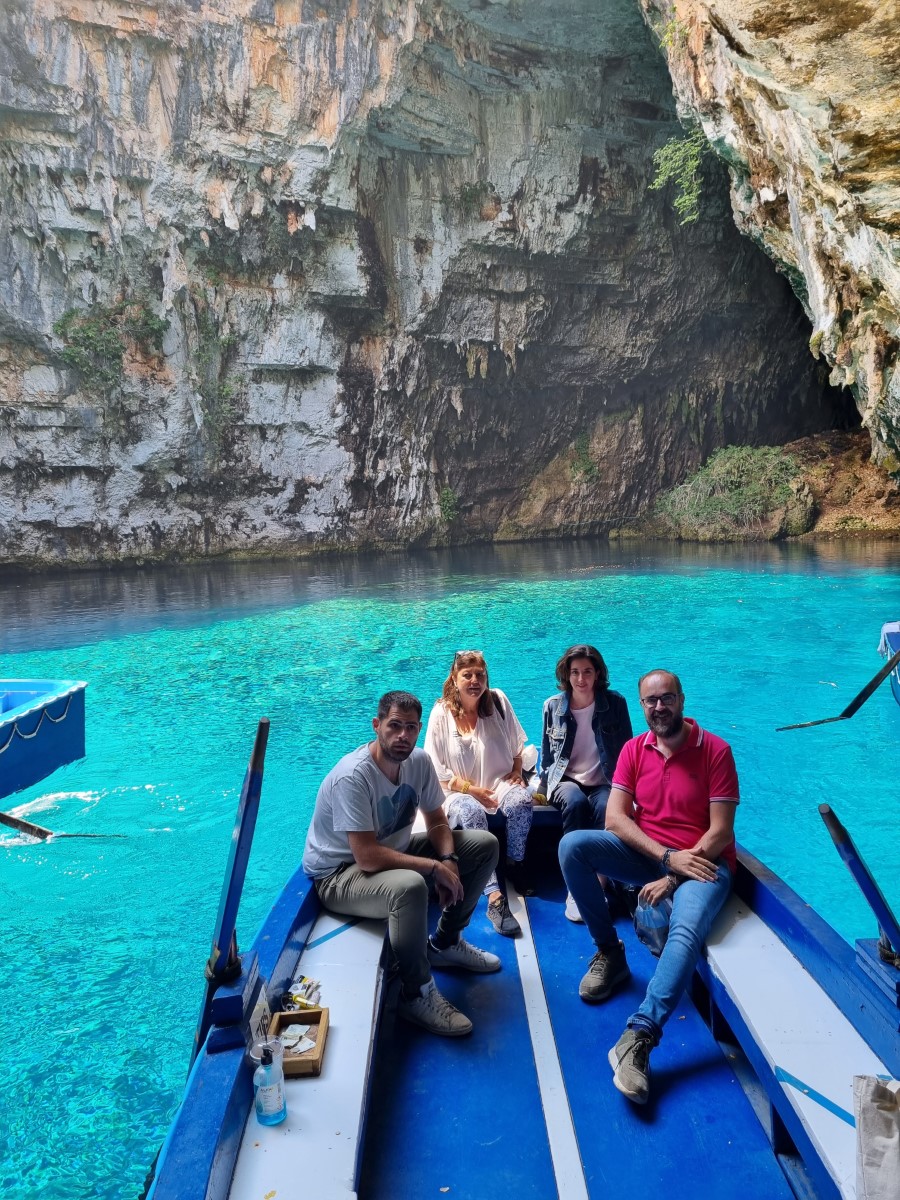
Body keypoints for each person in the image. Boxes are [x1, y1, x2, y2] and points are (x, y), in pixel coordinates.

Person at [558, 669, 738, 1104]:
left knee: (687, 927)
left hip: (702, 862)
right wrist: (662, 859)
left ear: (681, 699)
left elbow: (719, 832)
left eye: (667, 698)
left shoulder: (715, 750)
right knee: (572, 847)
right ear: (641, 706)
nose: (659, 707)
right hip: (655, 854)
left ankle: (638, 1036)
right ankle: (610, 953)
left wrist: (674, 873)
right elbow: (615, 819)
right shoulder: (634, 751)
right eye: (650, 701)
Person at [302, 690, 501, 1038]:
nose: (403, 736)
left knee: (483, 845)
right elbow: (365, 855)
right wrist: (435, 868)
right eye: (394, 726)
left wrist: (449, 858)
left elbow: (438, 821)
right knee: (408, 887)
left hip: (391, 852)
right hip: (340, 874)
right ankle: (416, 993)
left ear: (419, 728)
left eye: (411, 728)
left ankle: (446, 943)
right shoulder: (354, 775)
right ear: (377, 725)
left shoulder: (419, 762)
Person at [424, 650, 533, 938]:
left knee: (522, 801)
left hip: (497, 782)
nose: (475, 680)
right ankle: (494, 894)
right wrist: (470, 790)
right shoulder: (441, 712)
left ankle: (516, 863)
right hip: (456, 789)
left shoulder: (497, 701)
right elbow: (435, 768)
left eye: (480, 675)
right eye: (467, 675)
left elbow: (516, 744)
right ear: (454, 678)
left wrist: (518, 770)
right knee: (470, 811)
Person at [540, 644, 633, 923]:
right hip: (565, 779)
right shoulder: (553, 706)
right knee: (576, 802)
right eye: (575, 672)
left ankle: (599, 886)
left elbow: (628, 750)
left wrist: (629, 790)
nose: (581, 679)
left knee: (607, 808)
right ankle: (576, 887)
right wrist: (542, 789)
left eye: (587, 672)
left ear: (598, 673)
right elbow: (547, 757)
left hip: (604, 780)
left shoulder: (615, 703)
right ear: (566, 674)